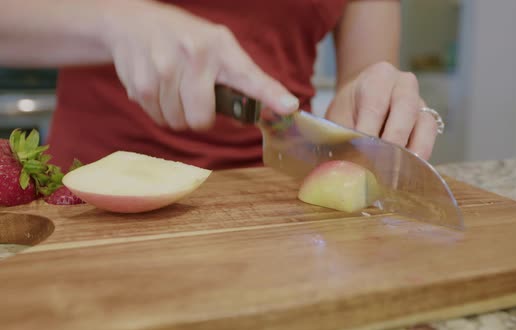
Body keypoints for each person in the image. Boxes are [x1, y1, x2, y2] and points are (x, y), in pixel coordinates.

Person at [0, 0, 442, 171]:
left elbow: (364, 72)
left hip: (275, 204)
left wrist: (373, 96)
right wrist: (113, 19)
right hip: (88, 197)